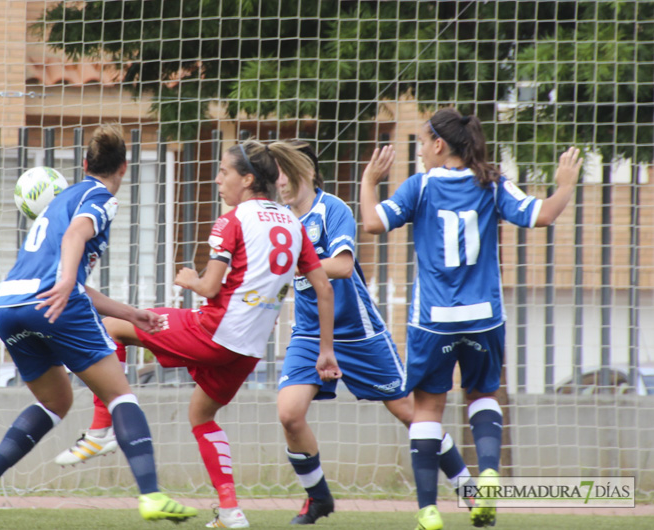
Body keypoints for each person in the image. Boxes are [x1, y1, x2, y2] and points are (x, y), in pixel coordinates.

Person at [55, 139, 338, 529]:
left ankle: (103, 427)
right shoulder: (292, 223)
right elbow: (324, 289)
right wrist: (326, 351)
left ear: (248, 178)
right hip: (249, 348)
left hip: (213, 333)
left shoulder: (232, 220)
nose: (218, 179)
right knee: (201, 414)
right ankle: (230, 511)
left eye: (224, 172)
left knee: (115, 325)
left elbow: (209, 288)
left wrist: (190, 278)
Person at [360, 108, 583, 530]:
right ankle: (490, 475)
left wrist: (369, 182)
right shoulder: (491, 183)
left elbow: (373, 223)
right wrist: (565, 185)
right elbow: (544, 215)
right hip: (484, 317)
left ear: (439, 145)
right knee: (483, 394)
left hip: (433, 319)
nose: (421, 151)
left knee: (427, 409)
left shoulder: (420, 186)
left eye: (423, 143)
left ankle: (428, 510)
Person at [0, 125, 198, 525]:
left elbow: (66, 265)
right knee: (121, 396)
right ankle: (152, 495)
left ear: (85, 163)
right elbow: (76, 237)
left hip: (9, 305)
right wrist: (67, 280)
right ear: (124, 168)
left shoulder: (60, 200)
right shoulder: (100, 197)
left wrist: (130, 313)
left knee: (56, 401)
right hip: (53, 301)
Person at [275, 141, 472, 525]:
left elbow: (343, 266)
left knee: (410, 414)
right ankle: (319, 499)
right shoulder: (280, 219)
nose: (278, 180)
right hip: (308, 335)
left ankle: (469, 490)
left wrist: (292, 265)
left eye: (284, 170)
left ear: (308, 172)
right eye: (274, 171)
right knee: (289, 415)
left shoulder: (332, 209)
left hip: (359, 334)